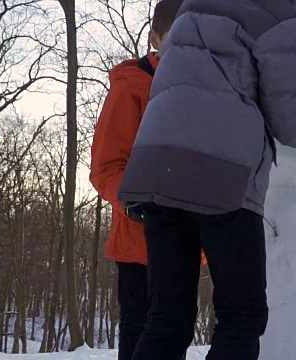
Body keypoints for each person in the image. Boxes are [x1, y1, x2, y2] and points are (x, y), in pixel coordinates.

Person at [117, 0, 296, 359]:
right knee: (241, 316)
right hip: (223, 176)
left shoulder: (193, 6)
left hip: (157, 170)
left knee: (167, 318)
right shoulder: (282, 18)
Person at [89, 1, 187, 359]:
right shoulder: (131, 87)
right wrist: (132, 202)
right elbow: (105, 166)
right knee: (140, 329)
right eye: (175, 39)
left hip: (186, 240)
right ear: (155, 39)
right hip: (138, 241)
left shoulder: (204, 89)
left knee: (176, 329)